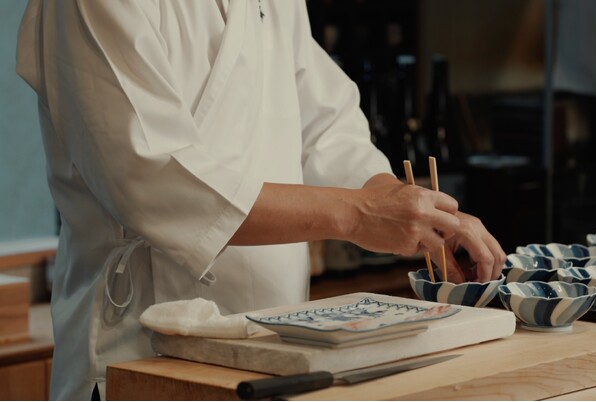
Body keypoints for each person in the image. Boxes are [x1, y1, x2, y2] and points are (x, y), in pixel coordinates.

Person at [16, 1, 505, 399]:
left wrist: (402, 201)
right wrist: (357, 215)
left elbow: (325, 125)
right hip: (142, 351)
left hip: (281, 341)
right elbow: (152, 177)